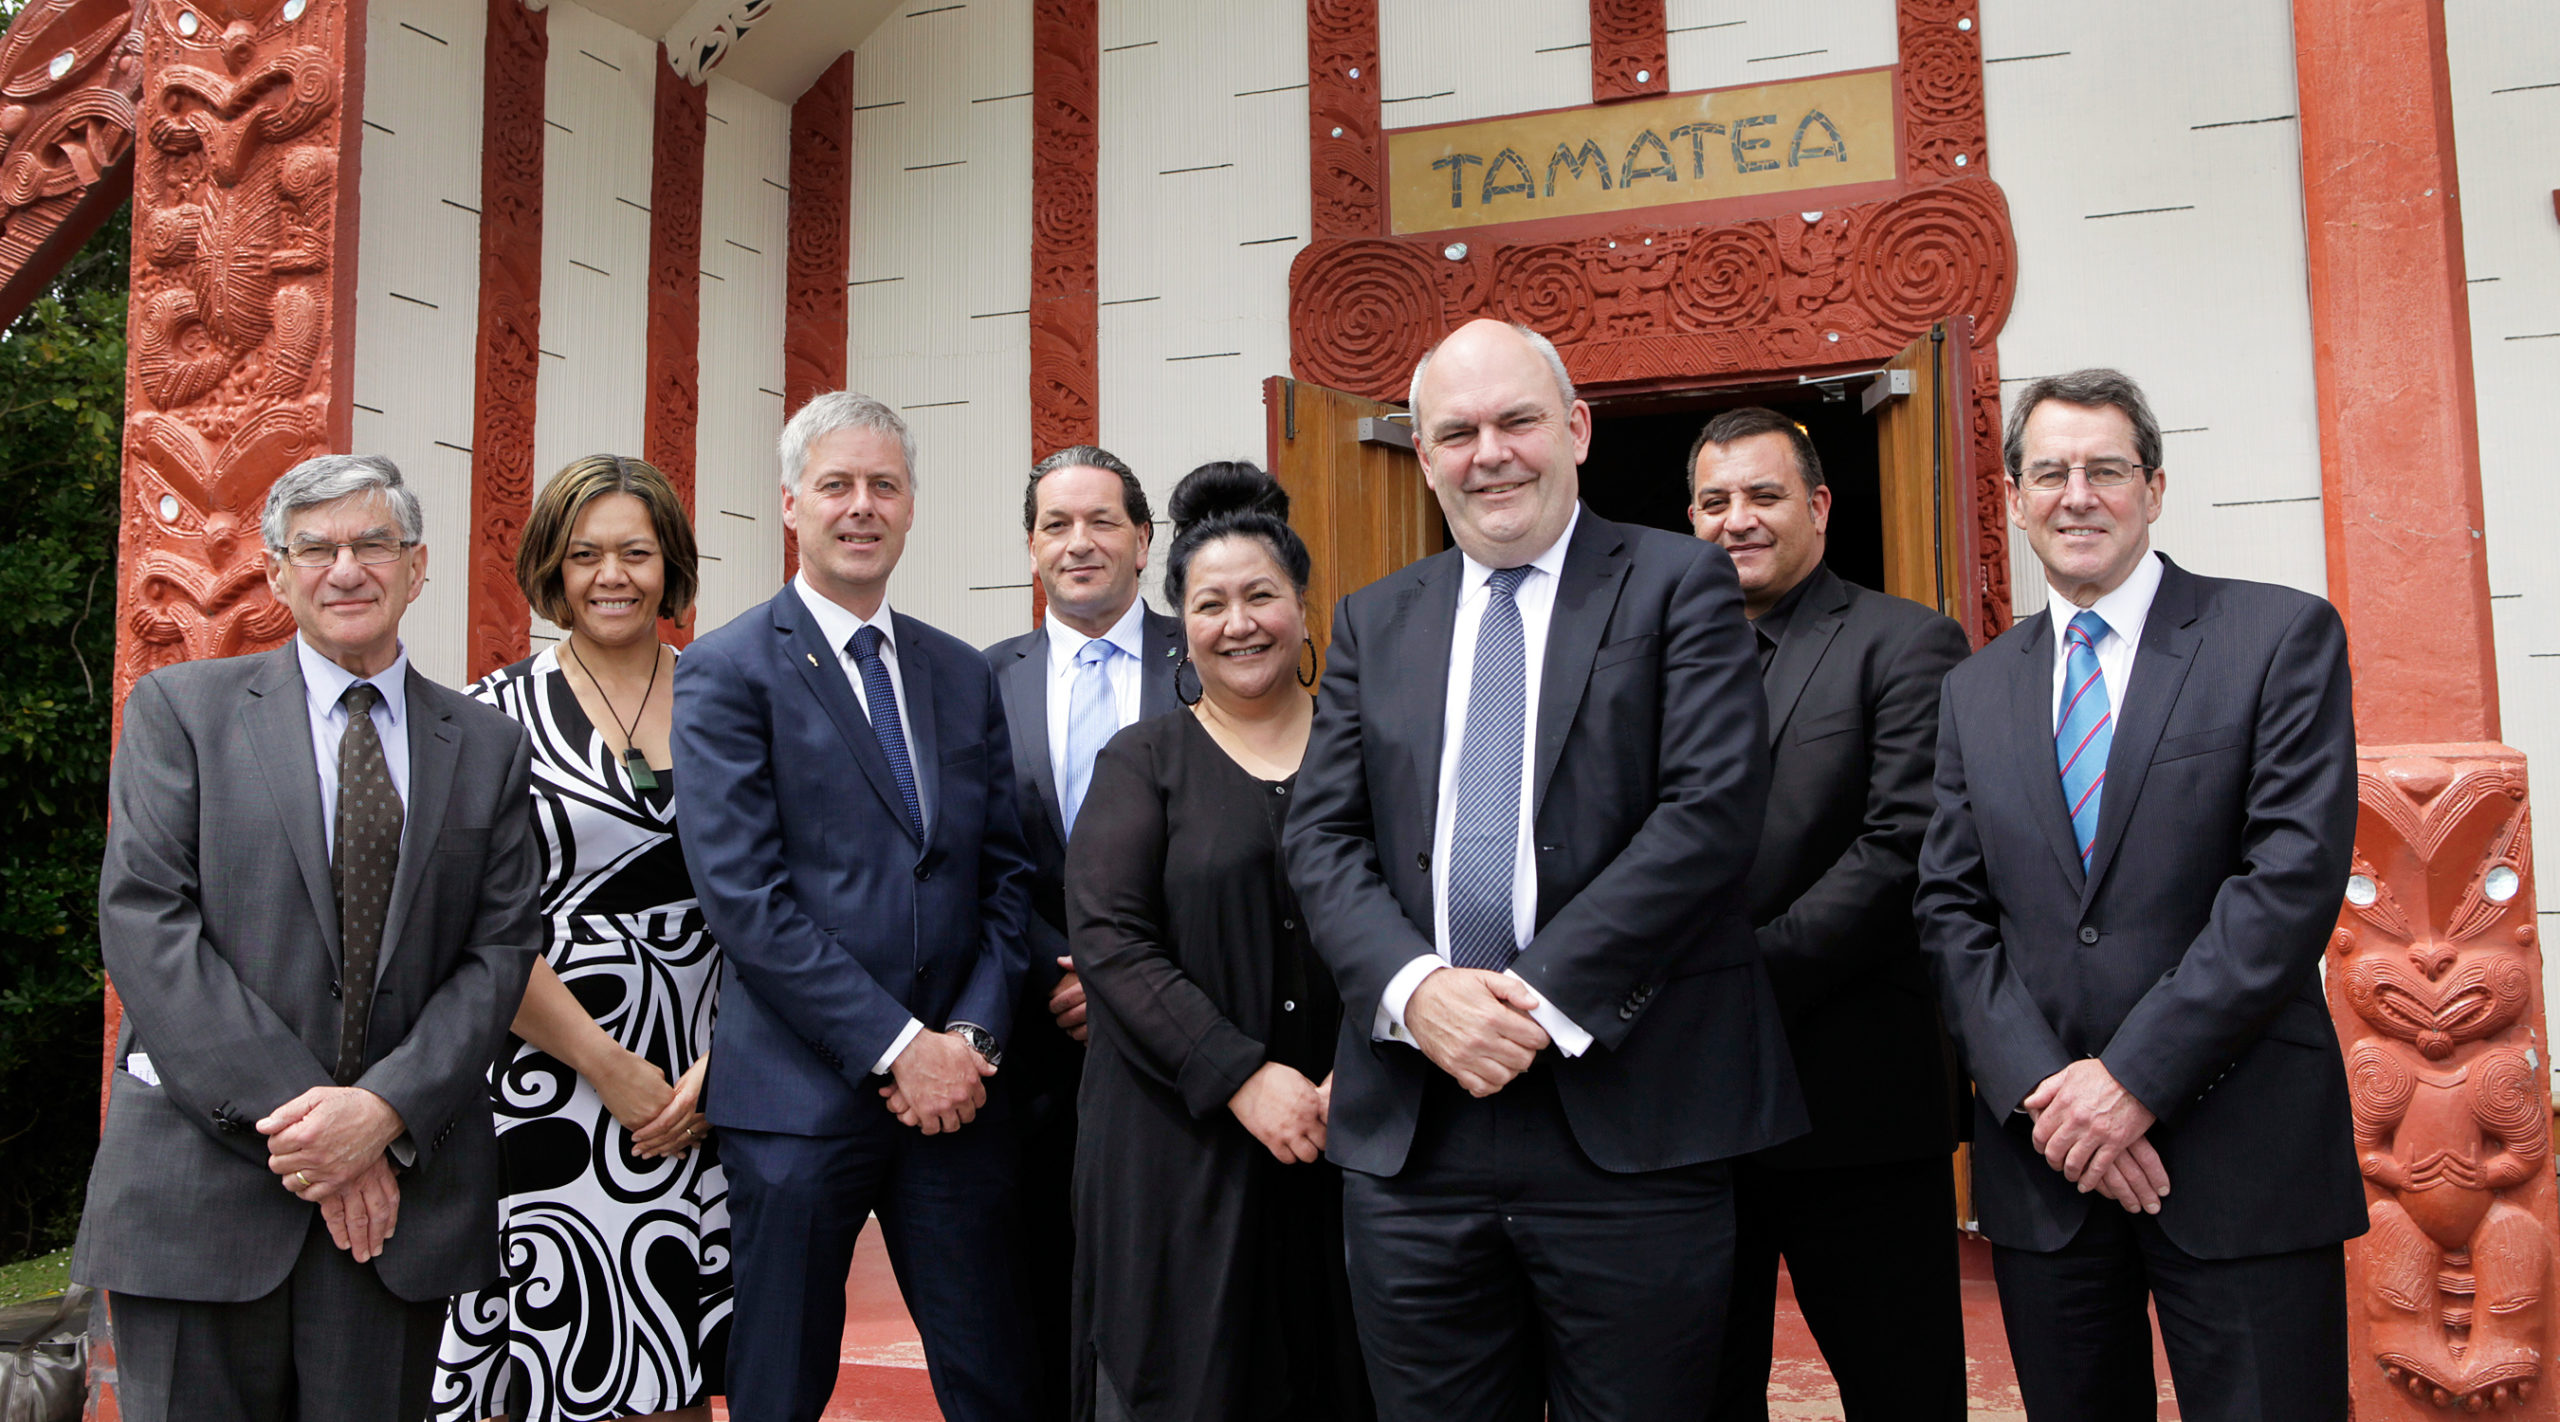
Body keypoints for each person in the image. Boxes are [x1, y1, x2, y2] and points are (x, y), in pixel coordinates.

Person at [1284, 319, 1804, 1421]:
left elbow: (1709, 813)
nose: (1490, 454)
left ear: (1574, 429)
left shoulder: (1679, 585)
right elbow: (1319, 838)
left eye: (1517, 420)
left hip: (1629, 1113)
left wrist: (1527, 1001)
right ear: (1421, 456)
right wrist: (1420, 993)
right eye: (1456, 432)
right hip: (1415, 1133)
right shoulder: (1375, 619)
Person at [1914, 368, 2362, 1420]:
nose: (2078, 495)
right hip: (2047, 1163)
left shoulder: (2276, 637)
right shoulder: (1974, 690)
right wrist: (2045, 1090)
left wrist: (2131, 1081)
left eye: (2105, 470)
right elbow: (1949, 908)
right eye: (2050, 473)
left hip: (2241, 1149)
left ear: (2153, 489)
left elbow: (2286, 884)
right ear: (2015, 498)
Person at [74, 454, 540, 1422]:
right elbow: (147, 922)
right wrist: (321, 1130)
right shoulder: (183, 715)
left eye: (373, 543)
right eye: (315, 548)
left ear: (416, 567)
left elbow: (499, 953)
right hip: (198, 1197)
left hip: (395, 1212)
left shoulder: (486, 745)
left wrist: (383, 1114)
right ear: (278, 574)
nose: (347, 569)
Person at [674, 391, 1039, 1422]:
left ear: (912, 505)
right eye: (836, 485)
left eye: (884, 484)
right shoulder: (726, 671)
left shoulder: (961, 674)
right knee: (781, 1384)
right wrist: (896, 1047)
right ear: (791, 504)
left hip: (960, 1099)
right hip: (796, 1102)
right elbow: (743, 898)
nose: (861, 506)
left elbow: (1002, 879)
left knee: (993, 1375)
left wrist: (964, 1036)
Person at [1066, 462, 1372, 1422]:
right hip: (1178, 1141)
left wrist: (1360, 1076)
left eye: (1260, 596)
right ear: (1183, 628)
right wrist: (1242, 1075)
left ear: (1304, 608)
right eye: (1211, 604)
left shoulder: (1371, 753)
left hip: (1347, 1126)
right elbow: (1112, 943)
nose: (1238, 622)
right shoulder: (1143, 762)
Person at [1685, 408, 1972, 1421]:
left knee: (1901, 1385)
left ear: (1817, 505)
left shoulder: (1905, 646)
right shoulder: (1647, 660)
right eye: (1714, 501)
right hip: (1686, 1106)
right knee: (1697, 1388)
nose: (1737, 521)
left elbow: (1898, 849)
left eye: (1762, 496)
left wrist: (1724, 982)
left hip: (1850, 1097)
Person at [433, 455, 730, 1422]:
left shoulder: (736, 700)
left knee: (692, 1361)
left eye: (637, 552)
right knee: (572, 1367)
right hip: (554, 1081)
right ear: (552, 570)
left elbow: (790, 897)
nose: (612, 576)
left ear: (671, 563)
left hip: (721, 1079)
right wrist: (609, 1068)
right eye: (585, 554)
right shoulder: (490, 718)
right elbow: (478, 924)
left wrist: (722, 1066)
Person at [982, 445, 1183, 1415]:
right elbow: (979, 862)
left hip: (1183, 1037)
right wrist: (1057, 976)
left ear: (1144, 540)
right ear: (1030, 547)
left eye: (1102, 521)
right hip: (1030, 1046)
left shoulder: (1211, 657)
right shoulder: (981, 684)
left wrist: (1125, 985)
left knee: (1174, 1306)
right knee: (1036, 1301)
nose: (1080, 543)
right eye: (1056, 524)